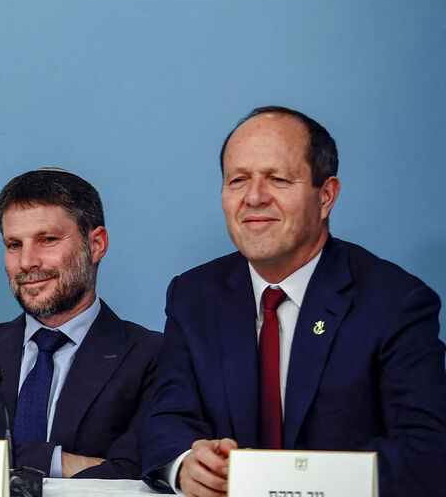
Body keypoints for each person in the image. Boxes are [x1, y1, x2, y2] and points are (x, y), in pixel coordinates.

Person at [142, 106, 446, 497]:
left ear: (326, 196)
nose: (253, 197)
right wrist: (185, 463)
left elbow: (425, 452)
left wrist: (281, 481)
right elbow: (165, 417)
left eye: (278, 179)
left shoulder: (396, 302)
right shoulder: (193, 295)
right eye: (237, 180)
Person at [0, 168, 161, 479]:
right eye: (14, 245)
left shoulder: (152, 355)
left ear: (96, 245)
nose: (27, 262)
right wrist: (69, 462)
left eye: (48, 240)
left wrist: (5, 460)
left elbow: (143, 472)